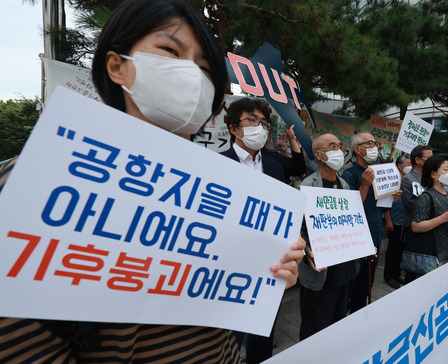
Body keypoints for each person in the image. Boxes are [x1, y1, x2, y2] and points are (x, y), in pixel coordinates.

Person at [0, 1, 304, 362]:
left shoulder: (221, 193)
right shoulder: (30, 180)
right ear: (117, 67)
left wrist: (271, 274)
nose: (193, 75)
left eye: (206, 69)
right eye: (170, 51)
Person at [221, 97, 304, 363]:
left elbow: (299, 168)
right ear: (234, 128)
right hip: (231, 257)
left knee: (264, 326)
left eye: (264, 123)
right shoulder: (218, 164)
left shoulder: (274, 162)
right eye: (252, 121)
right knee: (229, 329)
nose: (260, 127)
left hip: (269, 257)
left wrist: (293, 142)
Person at [298, 133, 359, 341]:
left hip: (344, 269)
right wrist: (306, 250)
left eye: (340, 146)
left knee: (337, 322)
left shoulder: (344, 185)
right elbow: (297, 228)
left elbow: (351, 222)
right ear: (319, 154)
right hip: (320, 272)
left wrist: (362, 243)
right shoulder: (306, 186)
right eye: (333, 147)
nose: (339, 151)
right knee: (315, 327)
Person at [341, 132, 399, 310]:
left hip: (374, 237)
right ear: (358, 149)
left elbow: (379, 208)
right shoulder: (350, 175)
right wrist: (365, 185)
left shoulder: (377, 173)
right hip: (356, 240)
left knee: (365, 288)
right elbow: (349, 210)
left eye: (375, 143)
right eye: (370, 143)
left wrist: (391, 198)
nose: (375, 147)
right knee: (350, 289)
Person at [401, 145, 433, 283]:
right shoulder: (408, 180)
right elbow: (413, 205)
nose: (432, 161)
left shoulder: (431, 179)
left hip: (430, 227)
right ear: (418, 160)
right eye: (429, 158)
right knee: (413, 267)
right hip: (414, 228)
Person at [383, 154, 410, 288]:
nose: (410, 166)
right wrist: (388, 221)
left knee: (400, 249)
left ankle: (397, 273)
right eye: (408, 163)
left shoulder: (408, 180)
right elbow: (385, 204)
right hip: (394, 221)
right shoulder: (392, 180)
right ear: (400, 166)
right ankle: (389, 276)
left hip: (405, 222)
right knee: (393, 249)